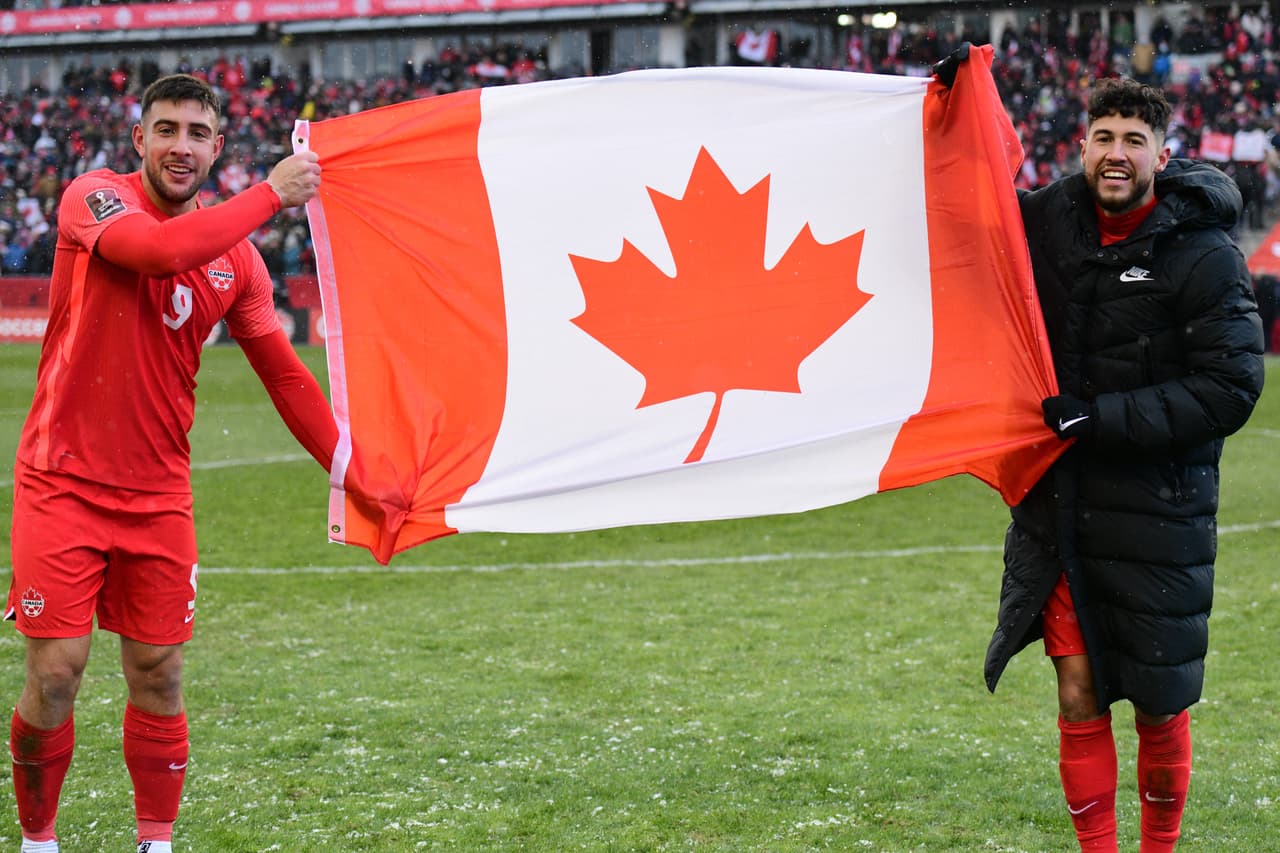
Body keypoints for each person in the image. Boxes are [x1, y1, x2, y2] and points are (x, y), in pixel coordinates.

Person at [938, 52, 1265, 852]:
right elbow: (965, 209)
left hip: (1160, 511)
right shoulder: (1047, 221)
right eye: (1103, 137)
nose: (1116, 152)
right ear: (1081, 146)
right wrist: (950, 106)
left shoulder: (1203, 252)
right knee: (1077, 691)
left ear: (1163, 154)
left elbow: (1231, 386)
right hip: (1061, 509)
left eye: (1133, 139)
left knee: (1158, 702)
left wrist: (1102, 416)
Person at [5, 74, 338, 853]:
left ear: (216, 147)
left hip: (158, 495)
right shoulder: (94, 198)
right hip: (60, 481)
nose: (180, 146)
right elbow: (156, 253)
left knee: (159, 671)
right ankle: (39, 840)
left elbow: (287, 378)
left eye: (196, 133)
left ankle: (155, 843)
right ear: (140, 139)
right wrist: (271, 193)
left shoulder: (239, 265)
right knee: (57, 671)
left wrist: (349, 466)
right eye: (166, 130)